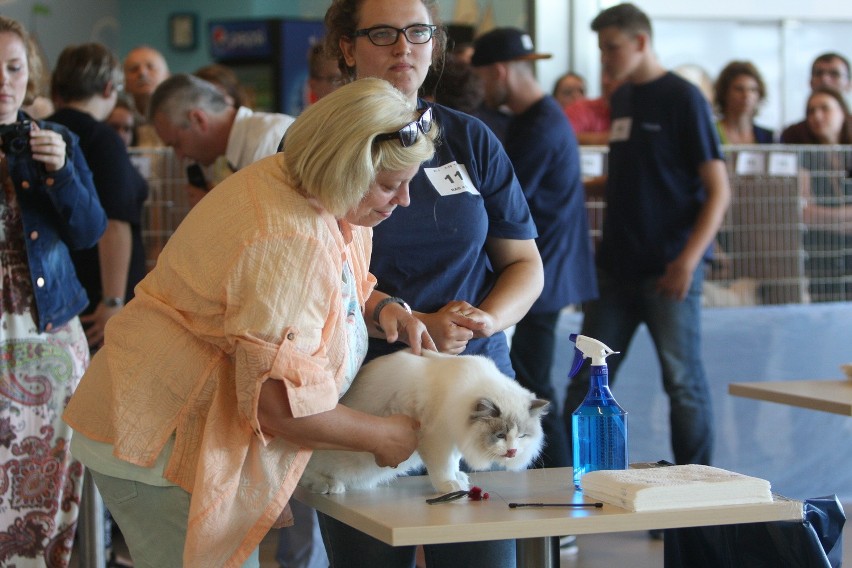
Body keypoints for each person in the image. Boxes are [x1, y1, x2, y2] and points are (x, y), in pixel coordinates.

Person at [62, 77, 438, 567]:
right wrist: (386, 437)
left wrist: (384, 309)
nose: (404, 200)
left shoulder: (318, 191)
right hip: (158, 441)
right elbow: (279, 407)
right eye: (391, 185)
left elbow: (342, 283)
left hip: (168, 423)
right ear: (347, 168)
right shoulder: (287, 235)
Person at [320, 1, 544, 566]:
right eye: (383, 34)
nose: (404, 47)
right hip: (364, 396)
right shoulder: (315, 144)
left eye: (418, 32)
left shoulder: (471, 140)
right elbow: (312, 275)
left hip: (478, 401)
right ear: (347, 47)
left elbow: (525, 264)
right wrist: (398, 314)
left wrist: (484, 320)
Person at [563, 2, 731, 480]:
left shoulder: (684, 99)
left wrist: (687, 261)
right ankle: (576, 487)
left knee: (683, 383)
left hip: (669, 269)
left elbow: (718, 190)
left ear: (640, 42)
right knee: (582, 381)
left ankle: (696, 494)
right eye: (600, 49)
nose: (605, 60)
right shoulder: (623, 100)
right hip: (616, 268)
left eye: (612, 48)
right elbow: (632, 177)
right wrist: (573, 189)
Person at [0, 15, 107, 566]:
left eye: (14, 67)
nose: (4, 80)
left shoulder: (58, 140)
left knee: (49, 479)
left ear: (30, 73)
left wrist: (63, 173)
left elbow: (91, 231)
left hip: (48, 335)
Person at [470, 27, 597, 470]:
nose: (483, 89)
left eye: (484, 78)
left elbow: (502, 201)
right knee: (534, 384)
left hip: (542, 280)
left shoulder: (541, 125)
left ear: (500, 71)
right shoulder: (537, 120)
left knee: (535, 390)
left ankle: (566, 495)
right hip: (548, 274)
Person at [49, 42, 149, 352]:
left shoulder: (45, 131)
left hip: (61, 288)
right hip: (98, 297)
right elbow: (115, 223)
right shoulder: (101, 139)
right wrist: (113, 301)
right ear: (109, 88)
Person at [148, 73, 296, 207]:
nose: (180, 156)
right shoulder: (256, 140)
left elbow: (274, 227)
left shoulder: (266, 144)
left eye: (176, 144)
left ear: (198, 119)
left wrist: (215, 209)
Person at [797, 87, 852, 302]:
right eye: (811, 111)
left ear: (843, 112)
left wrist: (826, 217)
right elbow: (804, 215)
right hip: (821, 260)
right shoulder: (804, 159)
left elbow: (813, 214)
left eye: (824, 108)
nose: (816, 116)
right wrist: (846, 217)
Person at [781, 52, 851, 143]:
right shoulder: (792, 135)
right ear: (810, 82)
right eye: (819, 73)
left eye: (834, 74)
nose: (825, 79)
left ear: (849, 84)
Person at [713, 60, 774, 144]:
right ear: (724, 92)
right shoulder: (710, 133)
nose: (746, 95)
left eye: (753, 90)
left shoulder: (769, 137)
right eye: (739, 89)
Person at [122, 45, 170, 147]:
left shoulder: (180, 119)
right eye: (134, 69)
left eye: (151, 67)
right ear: (124, 82)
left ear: (167, 77)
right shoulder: (117, 121)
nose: (142, 73)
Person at [564, 70, 622, 145]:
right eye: (567, 93)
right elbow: (564, 137)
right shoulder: (580, 109)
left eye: (581, 91)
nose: (576, 97)